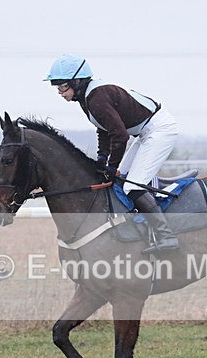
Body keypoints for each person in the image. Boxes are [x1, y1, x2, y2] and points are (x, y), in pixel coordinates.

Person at [44, 53, 180, 253]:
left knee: (132, 187)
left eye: (63, 86)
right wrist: (102, 158)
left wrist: (111, 166)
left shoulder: (96, 96)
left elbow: (120, 136)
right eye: (57, 87)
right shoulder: (87, 98)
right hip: (144, 132)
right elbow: (104, 128)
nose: (60, 92)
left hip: (159, 130)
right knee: (121, 181)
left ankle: (166, 236)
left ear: (77, 81)